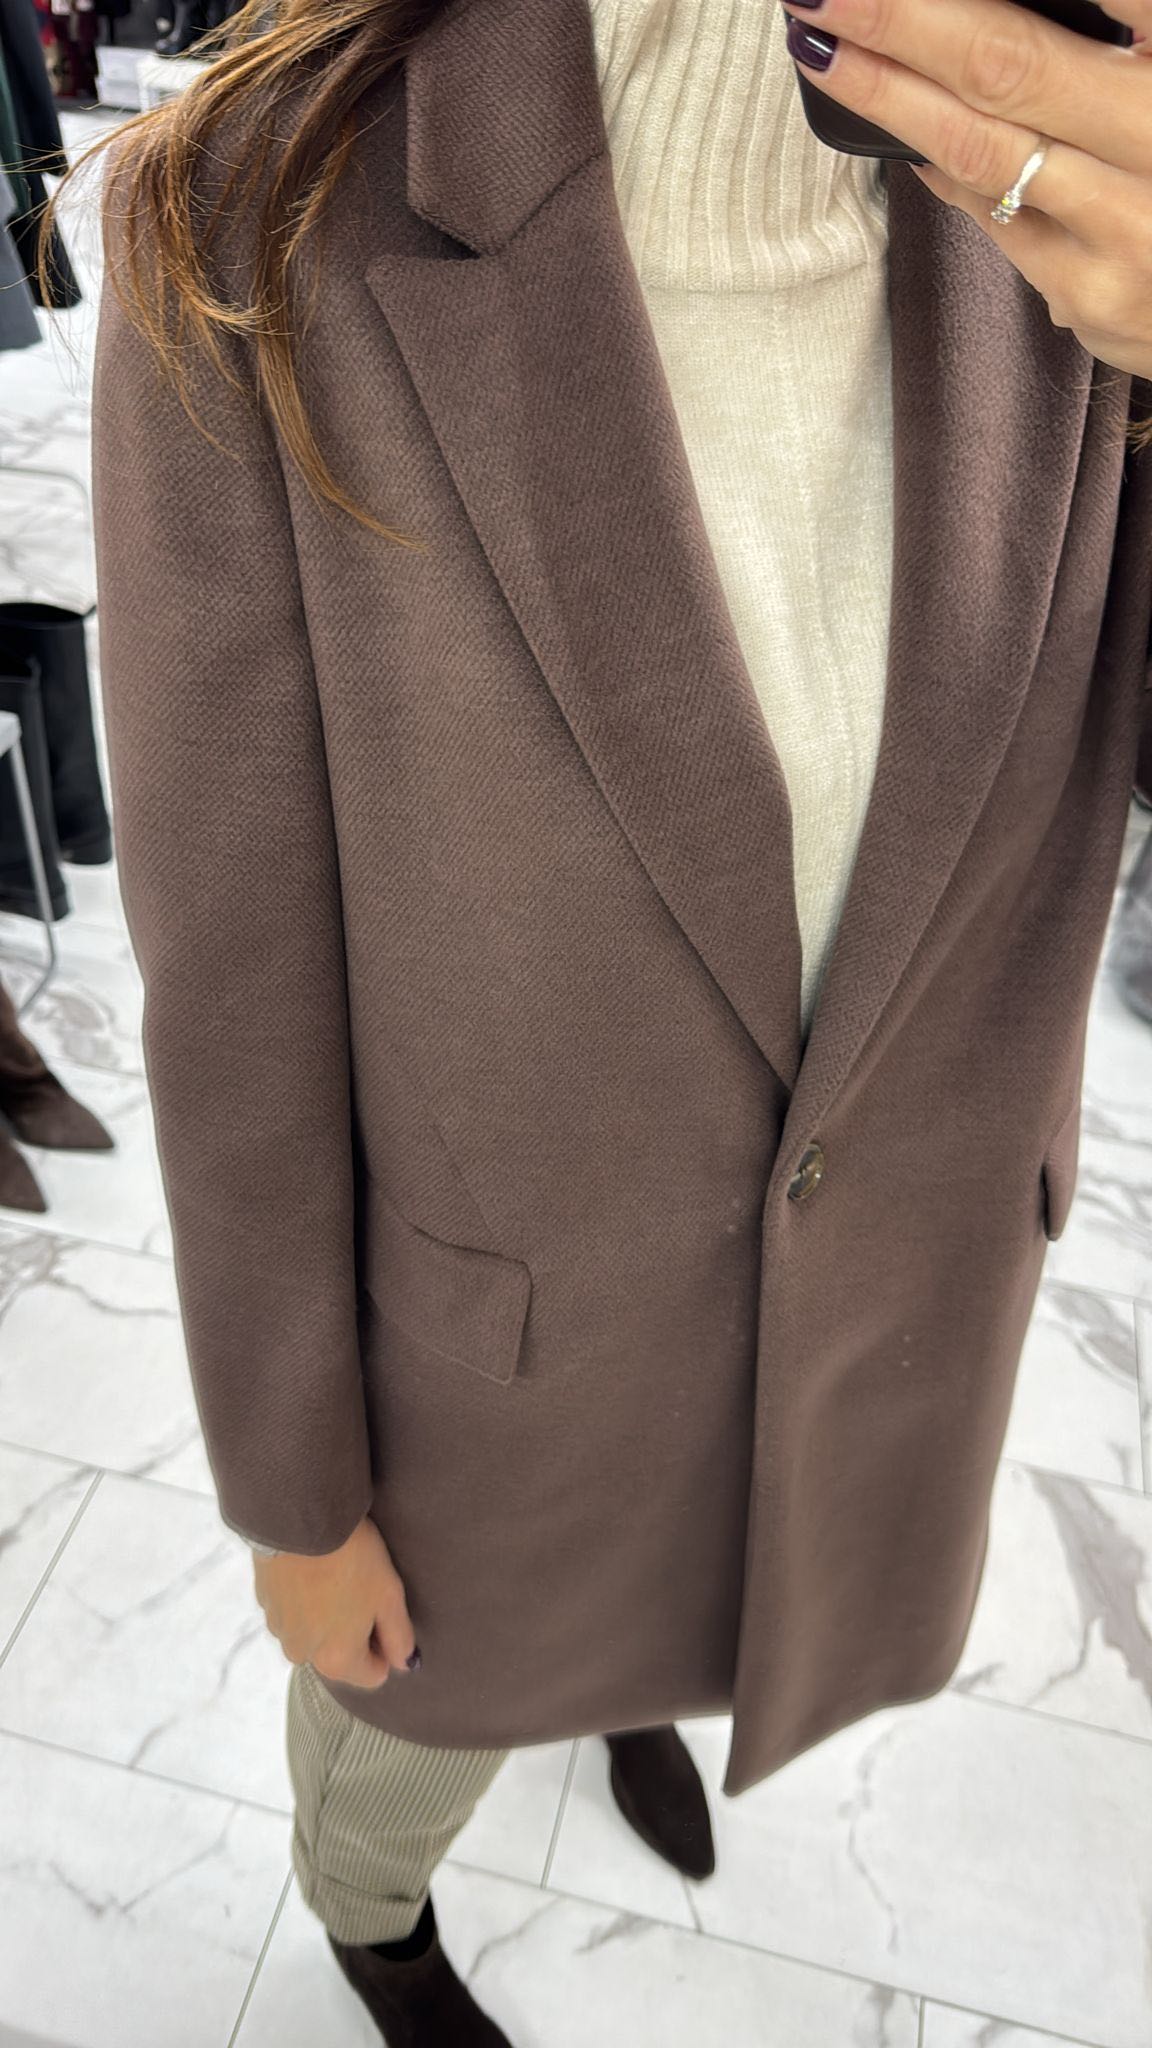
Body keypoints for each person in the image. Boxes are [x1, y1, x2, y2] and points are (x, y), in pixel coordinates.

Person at [55, 0, 1152, 2039]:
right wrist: (295, 1492)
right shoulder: (260, 211)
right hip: (496, 1374)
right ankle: (374, 1924)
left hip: (868, 1338)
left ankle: (633, 1685)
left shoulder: (1087, 194)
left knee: (684, 1598)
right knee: (409, 1744)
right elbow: (235, 979)